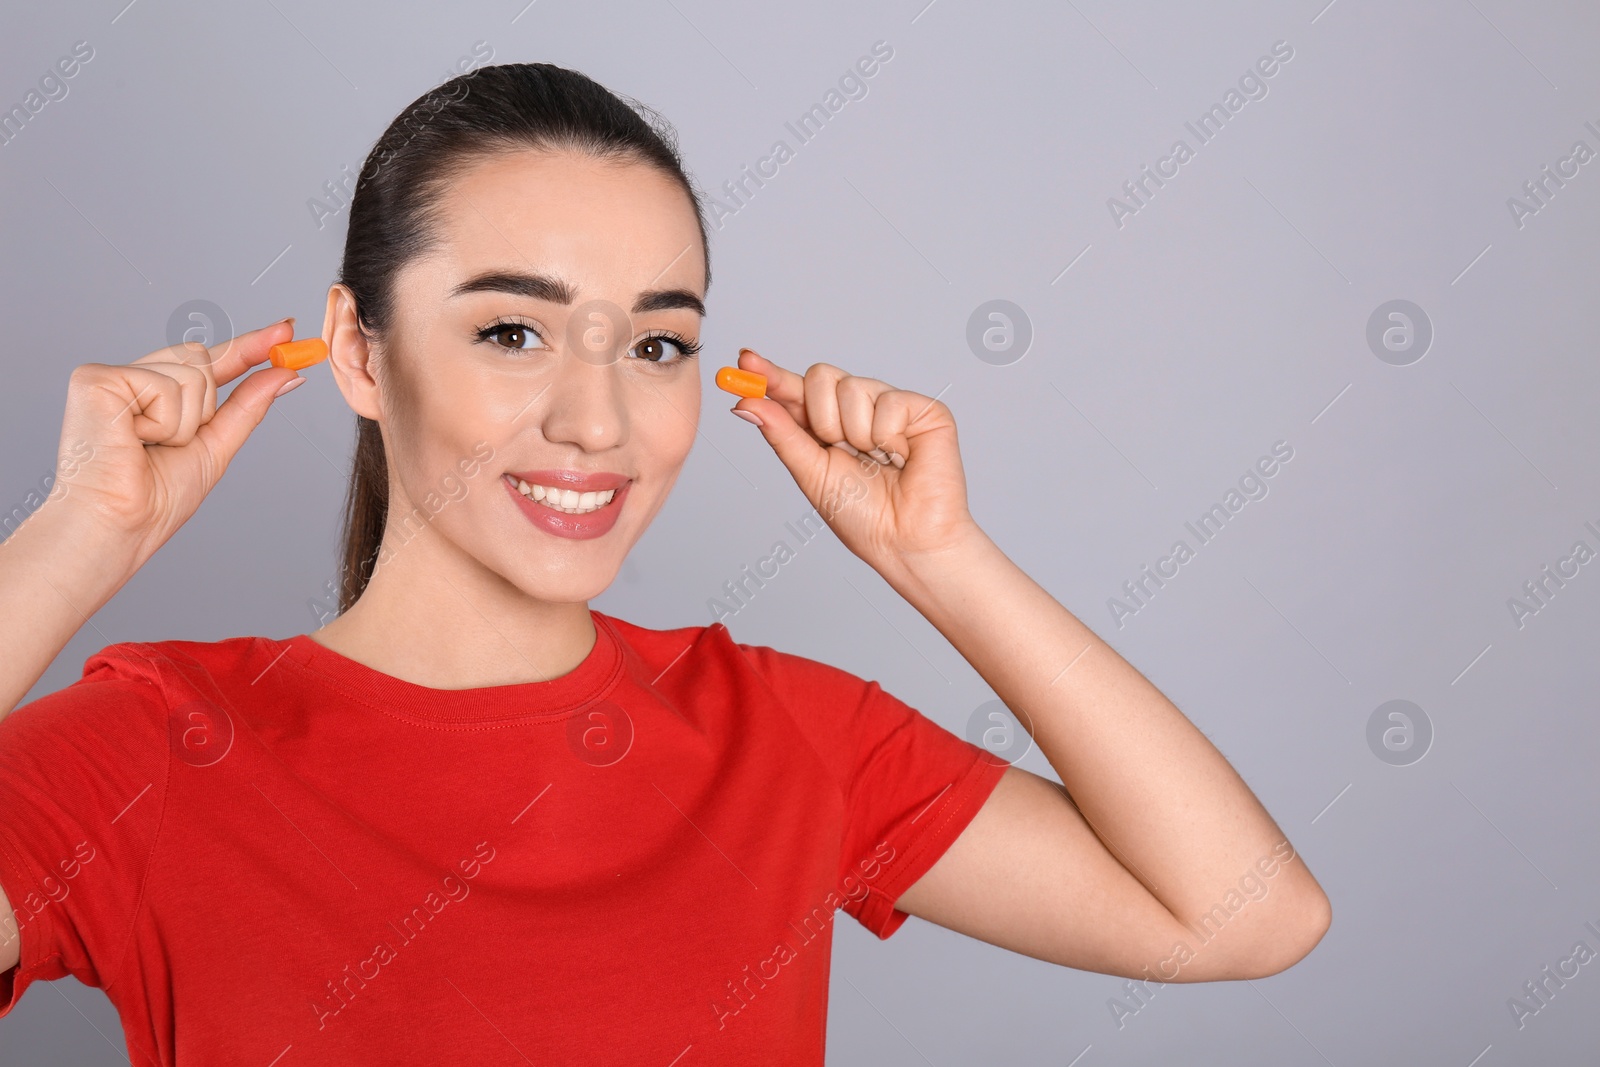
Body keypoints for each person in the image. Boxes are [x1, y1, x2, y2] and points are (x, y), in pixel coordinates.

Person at [0, 63, 1329, 1065]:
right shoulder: (149, 750)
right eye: (512, 333)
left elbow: (1243, 914)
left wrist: (941, 559)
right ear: (358, 351)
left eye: (655, 344)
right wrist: (77, 539)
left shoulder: (786, 738)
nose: (599, 422)